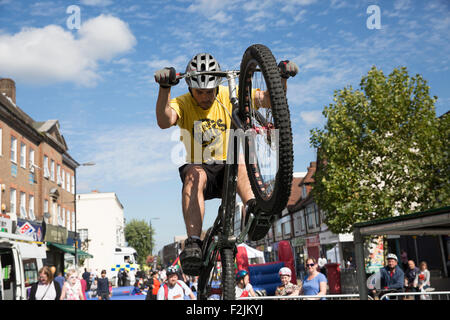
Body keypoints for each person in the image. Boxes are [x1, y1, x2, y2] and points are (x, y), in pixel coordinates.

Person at [154, 54, 298, 276]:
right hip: (201, 170)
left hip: (228, 169)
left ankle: (254, 211)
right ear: (191, 88)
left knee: (238, 160)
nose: (205, 97)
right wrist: (165, 87)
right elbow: (165, 120)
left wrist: (282, 78)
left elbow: (269, 100)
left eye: (209, 91)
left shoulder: (228, 94)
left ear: (217, 85)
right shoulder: (183, 103)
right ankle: (193, 242)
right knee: (194, 172)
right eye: (199, 92)